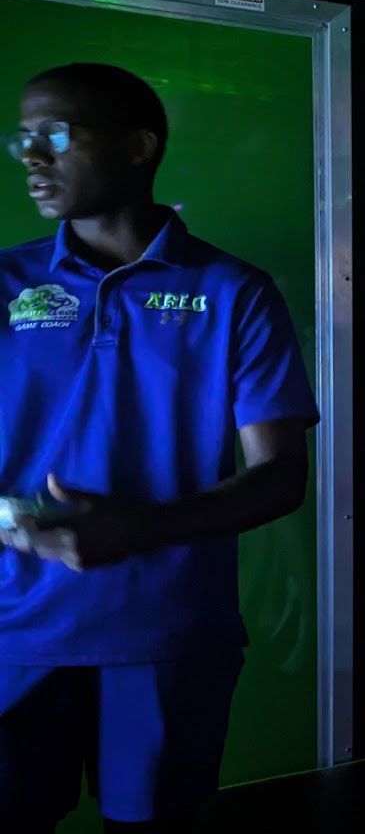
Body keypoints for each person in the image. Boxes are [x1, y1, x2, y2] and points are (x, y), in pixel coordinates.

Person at [0, 63, 318, 833]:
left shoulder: (234, 291)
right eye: (22, 139)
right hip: (15, 629)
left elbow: (279, 478)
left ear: (139, 146)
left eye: (54, 135)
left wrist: (139, 527)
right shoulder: (6, 283)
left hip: (166, 634)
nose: (31, 158)